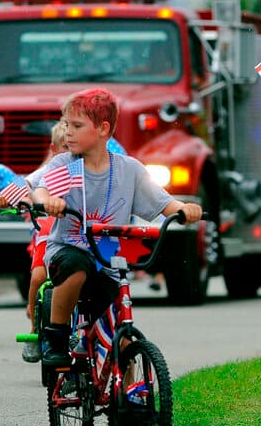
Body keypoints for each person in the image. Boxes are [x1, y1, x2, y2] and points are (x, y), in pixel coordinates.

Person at [31, 88, 203, 367]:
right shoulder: (64, 164)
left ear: (102, 129)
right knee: (76, 267)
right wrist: (47, 201)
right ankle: (56, 336)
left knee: (117, 330)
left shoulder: (129, 169)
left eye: (76, 126)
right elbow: (41, 189)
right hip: (68, 249)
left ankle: (130, 388)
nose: (68, 132)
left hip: (108, 259)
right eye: (66, 125)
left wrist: (184, 209)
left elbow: (164, 203)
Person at [16, 119, 69, 363]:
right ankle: (34, 324)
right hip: (47, 233)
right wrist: (15, 199)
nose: (70, 152)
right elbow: (26, 185)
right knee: (38, 276)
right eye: (64, 147)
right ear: (54, 149)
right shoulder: (47, 172)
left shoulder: (86, 170)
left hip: (75, 234)